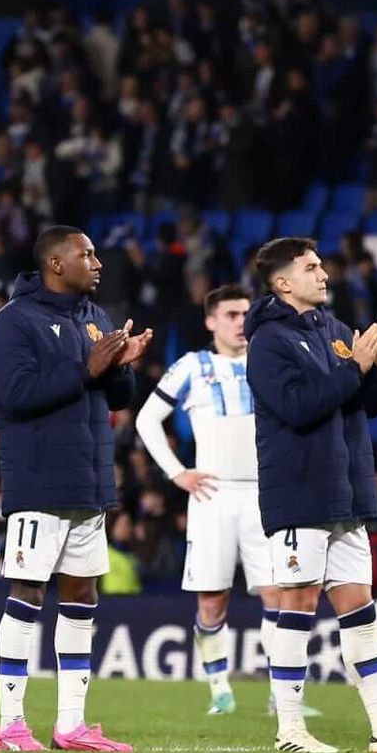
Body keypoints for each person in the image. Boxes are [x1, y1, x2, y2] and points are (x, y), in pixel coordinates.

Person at [244, 236, 377, 753]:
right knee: (299, 601)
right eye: (311, 268)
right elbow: (298, 406)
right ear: (283, 282)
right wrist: (354, 367)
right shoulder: (269, 341)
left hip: (345, 490)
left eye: (322, 266)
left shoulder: (333, 330)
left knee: (359, 608)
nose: (324, 274)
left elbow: (368, 404)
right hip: (299, 489)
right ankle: (290, 729)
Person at [0, 225, 144, 753]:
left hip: (90, 480)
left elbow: (116, 395)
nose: (98, 263)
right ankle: (11, 725)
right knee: (28, 593)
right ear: (56, 264)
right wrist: (86, 368)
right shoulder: (15, 322)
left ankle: (71, 725)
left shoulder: (94, 318)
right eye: (87, 254)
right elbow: (15, 394)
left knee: (82, 596)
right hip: (38, 481)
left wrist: (122, 367)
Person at [135, 283, 300, 717]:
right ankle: (219, 689)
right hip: (213, 495)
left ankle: (278, 695)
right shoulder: (192, 366)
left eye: (245, 313)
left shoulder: (267, 362)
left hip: (264, 495)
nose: (240, 321)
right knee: (212, 600)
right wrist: (176, 473)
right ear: (210, 321)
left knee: (277, 594)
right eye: (230, 314)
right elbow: (147, 418)